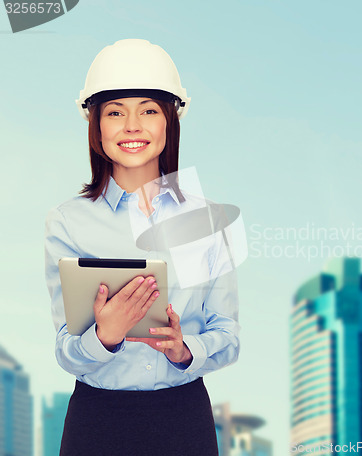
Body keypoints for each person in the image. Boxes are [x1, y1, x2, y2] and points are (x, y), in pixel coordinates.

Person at [44, 39, 240, 456]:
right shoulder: (67, 221)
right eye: (115, 112)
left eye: (148, 110)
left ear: (170, 120)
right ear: (96, 126)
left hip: (183, 418)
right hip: (96, 421)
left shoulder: (208, 221)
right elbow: (66, 349)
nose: (132, 126)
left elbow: (228, 334)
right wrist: (105, 337)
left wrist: (185, 350)